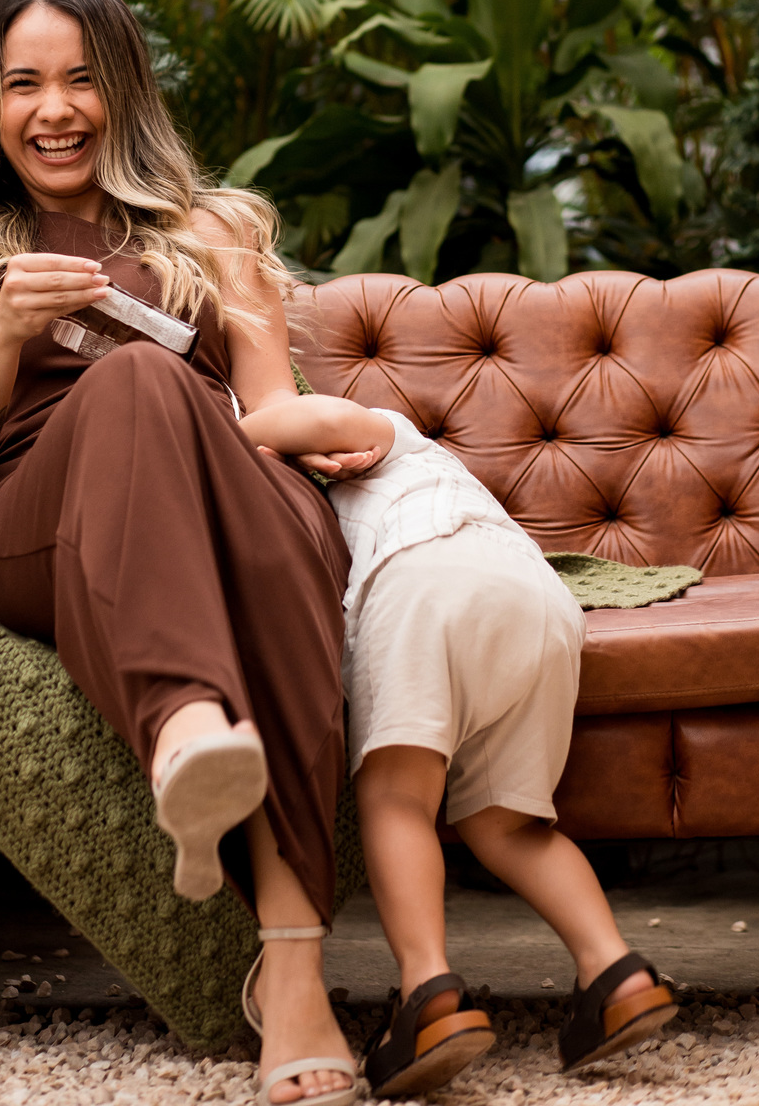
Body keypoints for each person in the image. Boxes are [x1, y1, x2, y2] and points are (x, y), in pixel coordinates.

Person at [0, 0, 379, 1106]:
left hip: (218, 490)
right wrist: (3, 331)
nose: (53, 109)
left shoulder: (215, 232)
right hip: (37, 524)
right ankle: (187, 728)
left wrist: (355, 431)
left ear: (124, 90)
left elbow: (266, 410)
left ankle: (286, 963)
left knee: (216, 464)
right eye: (24, 84)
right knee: (139, 383)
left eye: (80, 79)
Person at [239, 393, 679, 1095]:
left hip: (424, 578)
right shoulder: (434, 474)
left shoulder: (387, 441)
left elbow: (321, 420)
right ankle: (613, 972)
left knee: (398, 800)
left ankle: (429, 993)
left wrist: (234, 439)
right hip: (539, 603)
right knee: (510, 826)